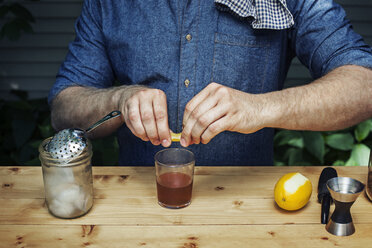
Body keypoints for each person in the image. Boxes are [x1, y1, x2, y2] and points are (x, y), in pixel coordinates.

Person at [49, 0, 372, 166]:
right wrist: (118, 100)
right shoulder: (109, 4)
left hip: (248, 206)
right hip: (138, 202)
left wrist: (262, 106)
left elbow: (364, 84)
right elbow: (63, 110)